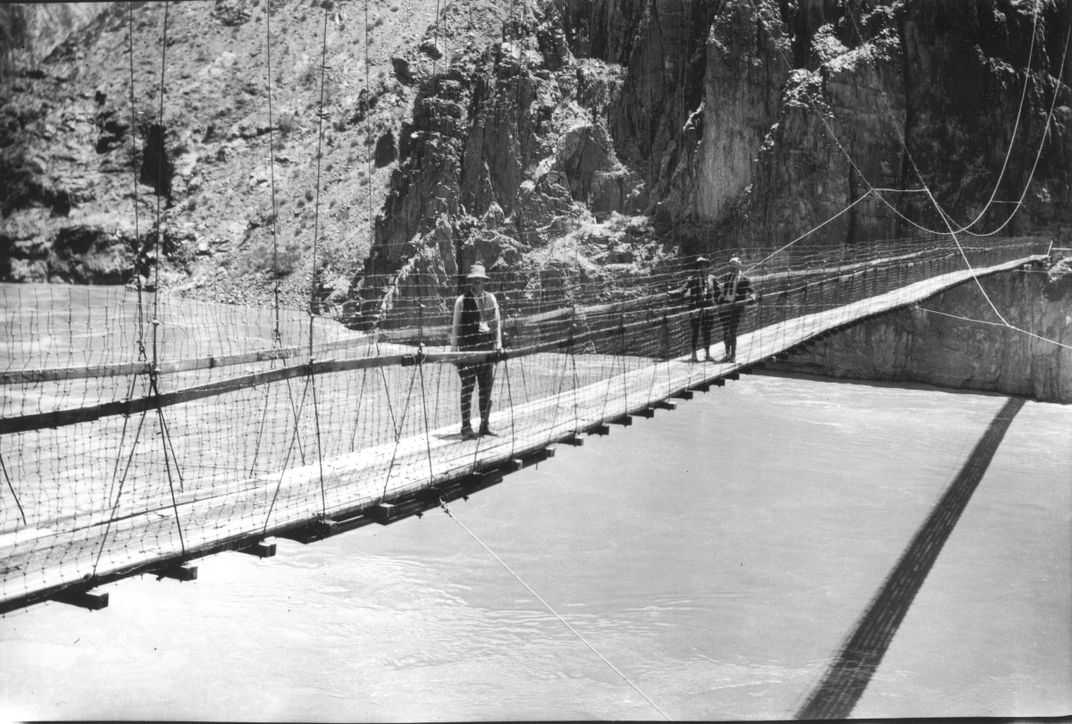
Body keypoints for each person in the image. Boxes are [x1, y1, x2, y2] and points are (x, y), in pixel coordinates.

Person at [450, 261, 502, 438]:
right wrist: (454, 351)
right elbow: (456, 327)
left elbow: (496, 325)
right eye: (474, 281)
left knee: (486, 387)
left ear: (484, 281)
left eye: (480, 280)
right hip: (468, 347)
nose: (477, 283)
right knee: (468, 386)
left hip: (487, 347)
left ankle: (484, 425)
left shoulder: (491, 299)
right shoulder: (462, 301)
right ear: (470, 282)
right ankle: (466, 427)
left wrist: (498, 345)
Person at [673, 256, 716, 362]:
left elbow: (719, 292)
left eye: (704, 265)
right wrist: (673, 293)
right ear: (697, 267)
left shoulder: (712, 278)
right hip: (695, 308)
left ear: (707, 266)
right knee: (695, 331)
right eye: (700, 265)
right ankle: (694, 354)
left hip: (709, 308)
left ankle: (707, 353)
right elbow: (683, 289)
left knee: (707, 331)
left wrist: (719, 304)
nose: (702, 267)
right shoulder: (692, 279)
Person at [716, 256, 757, 362]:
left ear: (739, 266)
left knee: (732, 331)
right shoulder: (727, 277)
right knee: (725, 330)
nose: (733, 268)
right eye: (731, 266)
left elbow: (753, 291)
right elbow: (723, 292)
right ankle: (727, 354)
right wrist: (719, 302)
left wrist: (753, 298)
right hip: (725, 306)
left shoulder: (745, 279)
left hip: (736, 308)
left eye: (735, 266)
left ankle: (733, 355)